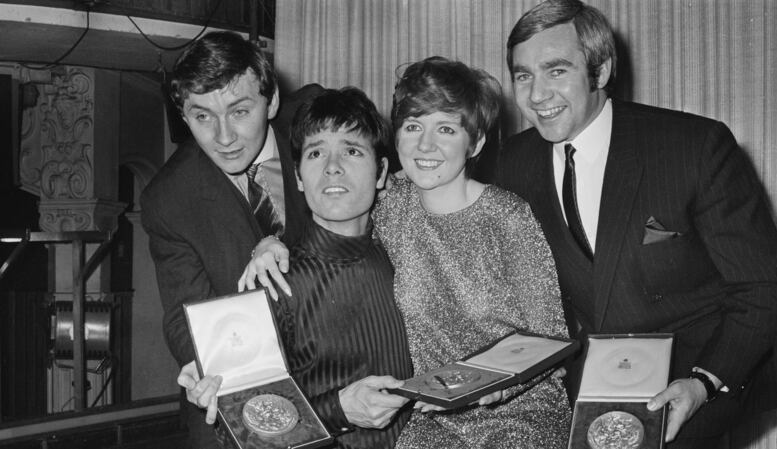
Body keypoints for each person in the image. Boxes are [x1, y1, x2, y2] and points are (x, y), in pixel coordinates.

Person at [497, 1, 777, 448]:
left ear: (600, 70)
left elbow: (762, 286)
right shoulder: (510, 165)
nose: (537, 95)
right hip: (580, 395)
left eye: (556, 71)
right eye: (523, 76)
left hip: (689, 387)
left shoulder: (693, 147)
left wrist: (703, 384)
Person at [243, 56, 572, 448]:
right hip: (432, 416)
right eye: (413, 126)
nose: (425, 145)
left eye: (446, 128)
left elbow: (549, 336)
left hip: (518, 412)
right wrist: (268, 242)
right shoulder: (391, 205)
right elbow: (331, 204)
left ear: (476, 142)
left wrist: (502, 386)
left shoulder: (508, 216)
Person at [179, 87, 414, 449]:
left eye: (352, 151)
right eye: (316, 152)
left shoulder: (406, 256)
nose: (333, 167)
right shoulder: (274, 282)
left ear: (382, 171)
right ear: (299, 176)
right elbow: (248, 431)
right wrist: (338, 410)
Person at [140, 31, 322, 448]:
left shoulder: (318, 124)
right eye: (202, 116)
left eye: (240, 111)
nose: (223, 137)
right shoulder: (168, 198)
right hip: (242, 388)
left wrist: (288, 249)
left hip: (344, 369)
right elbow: (183, 316)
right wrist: (204, 366)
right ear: (184, 116)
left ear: (271, 101)